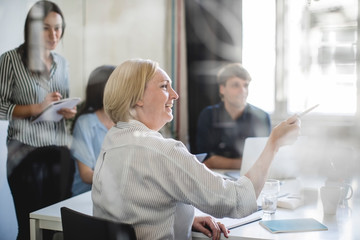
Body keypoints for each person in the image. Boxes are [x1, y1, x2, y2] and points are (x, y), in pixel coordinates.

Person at [91, 59, 300, 240]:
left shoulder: (112, 140)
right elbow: (237, 201)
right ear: (138, 97)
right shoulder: (162, 151)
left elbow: (134, 209)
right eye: (164, 86)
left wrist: (185, 218)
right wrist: (273, 144)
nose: (175, 95)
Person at [0, 1, 76, 239]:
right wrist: (37, 107)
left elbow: (60, 102)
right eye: (46, 28)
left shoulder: (62, 63)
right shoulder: (10, 60)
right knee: (30, 226)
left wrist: (67, 110)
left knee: (55, 227)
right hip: (24, 154)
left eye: (58, 28)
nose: (54, 35)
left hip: (58, 152)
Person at [196, 63, 271, 169]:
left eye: (246, 85)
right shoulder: (208, 115)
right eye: (236, 85)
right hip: (215, 178)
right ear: (222, 89)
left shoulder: (262, 117)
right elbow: (206, 161)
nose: (243, 91)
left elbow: (264, 160)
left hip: (249, 178)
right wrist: (247, 163)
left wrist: (218, 161)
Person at [70, 65, 115, 196]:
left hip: (114, 196)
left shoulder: (124, 121)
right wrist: (119, 180)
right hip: (86, 197)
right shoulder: (85, 123)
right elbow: (86, 174)